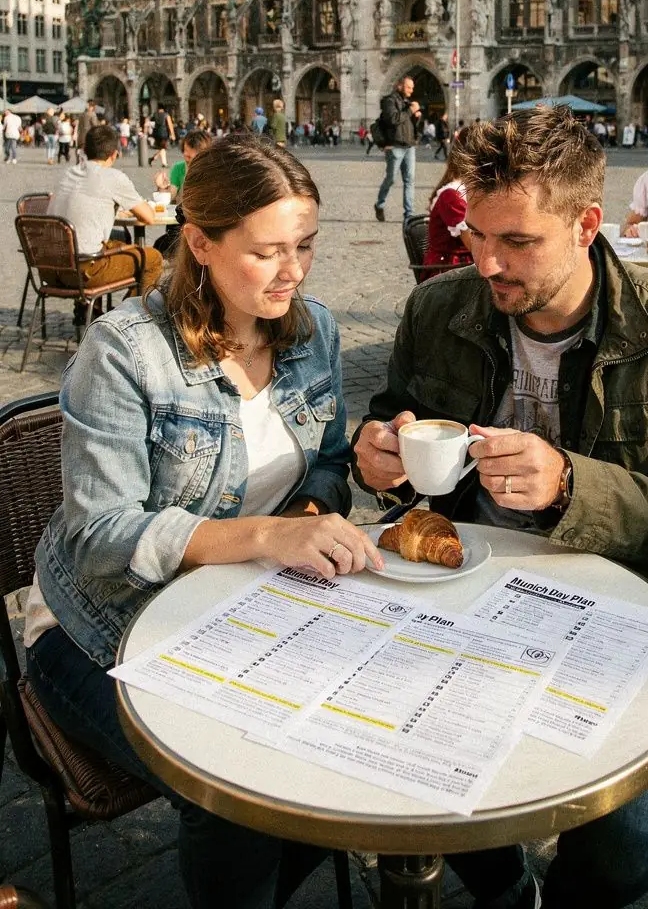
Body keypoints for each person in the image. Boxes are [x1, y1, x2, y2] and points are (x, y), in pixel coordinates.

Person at [353, 106, 648, 909]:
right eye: (475, 235)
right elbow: (399, 430)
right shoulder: (439, 309)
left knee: (622, 848)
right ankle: (504, 891)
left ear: (586, 225)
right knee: (385, 756)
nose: (488, 262)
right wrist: (381, 462)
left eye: (518, 242)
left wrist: (572, 486)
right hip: (459, 598)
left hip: (634, 613)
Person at [26, 135, 382, 909]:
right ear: (201, 243)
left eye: (306, 247)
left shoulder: (311, 329)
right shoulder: (124, 352)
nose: (293, 271)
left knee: (371, 730)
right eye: (268, 252)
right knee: (237, 783)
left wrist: (324, 503)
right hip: (96, 630)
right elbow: (98, 539)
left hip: (252, 609)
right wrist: (266, 536)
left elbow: (325, 463)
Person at [47, 124, 163, 295]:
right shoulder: (113, 177)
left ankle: (86, 312)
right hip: (86, 269)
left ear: (85, 150)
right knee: (152, 258)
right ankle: (134, 315)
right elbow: (148, 217)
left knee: (119, 239)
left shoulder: (67, 173)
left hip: (51, 269)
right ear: (114, 154)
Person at [421, 131, 474, 280]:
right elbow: (474, 245)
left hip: (465, 266)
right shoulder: (452, 195)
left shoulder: (469, 189)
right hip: (449, 273)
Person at [374, 74, 422, 222]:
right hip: (395, 146)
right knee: (391, 179)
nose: (411, 90)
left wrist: (416, 116)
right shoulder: (389, 101)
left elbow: (410, 124)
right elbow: (393, 119)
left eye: (412, 88)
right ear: (399, 86)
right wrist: (410, 111)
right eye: (408, 87)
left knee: (409, 180)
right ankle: (379, 204)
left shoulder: (406, 102)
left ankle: (409, 214)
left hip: (409, 146)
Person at [149, 103, 175, 168]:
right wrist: (172, 134)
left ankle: (155, 159)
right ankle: (162, 162)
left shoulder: (154, 115)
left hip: (156, 134)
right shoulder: (166, 115)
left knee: (162, 148)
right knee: (163, 148)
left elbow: (151, 124)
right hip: (164, 134)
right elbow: (170, 125)